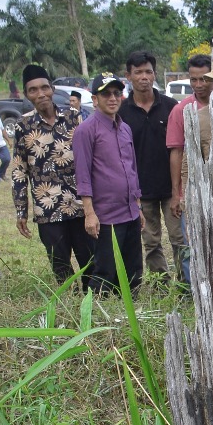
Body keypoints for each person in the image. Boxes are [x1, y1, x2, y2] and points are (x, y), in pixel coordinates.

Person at [10, 63, 94, 288]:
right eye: (33, 90)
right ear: (27, 94)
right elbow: (19, 170)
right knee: (60, 263)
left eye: (44, 88)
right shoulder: (23, 126)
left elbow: (90, 158)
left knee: (89, 260)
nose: (40, 94)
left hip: (79, 204)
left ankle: (93, 299)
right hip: (47, 209)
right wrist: (21, 210)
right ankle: (69, 302)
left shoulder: (74, 117)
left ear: (52, 89)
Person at [73, 73, 144, 294]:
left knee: (133, 269)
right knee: (106, 270)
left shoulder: (125, 128)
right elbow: (82, 174)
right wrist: (89, 213)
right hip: (106, 215)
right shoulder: (86, 130)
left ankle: (131, 310)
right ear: (95, 99)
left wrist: (138, 206)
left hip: (130, 210)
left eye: (116, 93)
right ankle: (99, 315)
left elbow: (131, 169)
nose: (112, 98)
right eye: (106, 94)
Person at [118, 51, 183, 282]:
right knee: (151, 241)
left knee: (179, 238)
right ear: (128, 76)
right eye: (138, 72)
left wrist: (178, 191)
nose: (144, 77)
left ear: (154, 75)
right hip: (140, 191)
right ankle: (161, 283)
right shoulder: (121, 112)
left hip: (171, 188)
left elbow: (181, 150)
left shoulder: (171, 107)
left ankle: (187, 283)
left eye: (148, 72)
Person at [166, 54, 213, 238]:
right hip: (192, 190)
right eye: (194, 79)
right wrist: (177, 194)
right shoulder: (182, 110)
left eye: (204, 79)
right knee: (193, 246)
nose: (199, 84)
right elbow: (176, 153)